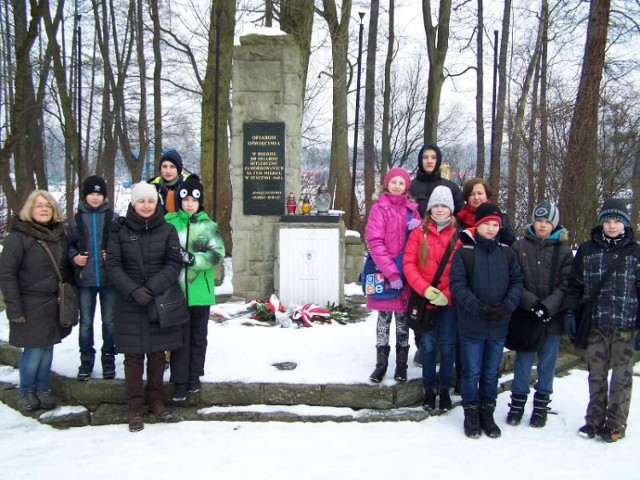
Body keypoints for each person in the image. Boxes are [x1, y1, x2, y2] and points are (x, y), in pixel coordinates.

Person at [106, 182, 184, 432]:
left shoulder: (168, 230)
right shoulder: (119, 232)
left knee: (158, 356)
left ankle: (156, 400)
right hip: (130, 303)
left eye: (150, 201)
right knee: (133, 357)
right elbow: (113, 265)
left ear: (156, 203)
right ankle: (135, 407)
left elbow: (173, 264)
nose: (146, 205)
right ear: (133, 204)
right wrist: (133, 290)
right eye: (141, 201)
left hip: (158, 301)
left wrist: (150, 289)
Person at [564, 198, 640, 443]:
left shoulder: (635, 252)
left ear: (625, 223)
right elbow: (575, 285)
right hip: (596, 323)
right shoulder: (587, 250)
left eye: (617, 220)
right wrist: (569, 313)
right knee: (596, 374)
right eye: (607, 220)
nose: (612, 225)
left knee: (622, 376)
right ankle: (594, 420)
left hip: (625, 324)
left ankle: (615, 423)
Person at [449, 202, 523, 439]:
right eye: (486, 224)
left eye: (495, 224)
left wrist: (506, 306)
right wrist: (477, 308)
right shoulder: (464, 253)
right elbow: (458, 285)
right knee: (471, 372)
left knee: (491, 373)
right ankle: (471, 413)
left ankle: (487, 412)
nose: (491, 229)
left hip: (498, 325)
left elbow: (517, 282)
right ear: (477, 225)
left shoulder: (508, 252)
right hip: (472, 324)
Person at [0, 191, 73, 412]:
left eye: (48, 206)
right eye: (38, 205)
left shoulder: (59, 236)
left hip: (52, 302)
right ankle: (26, 391)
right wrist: (15, 308)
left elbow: (65, 268)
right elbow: (7, 274)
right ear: (29, 209)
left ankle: (42, 389)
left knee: (48, 348)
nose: (43, 209)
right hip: (28, 303)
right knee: (33, 351)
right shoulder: (19, 237)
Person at [507, 201, 573, 428]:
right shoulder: (520, 246)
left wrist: (548, 306)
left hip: (552, 317)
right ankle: (517, 403)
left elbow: (566, 285)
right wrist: (532, 303)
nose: (542, 225)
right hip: (526, 315)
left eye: (547, 221)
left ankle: (541, 404)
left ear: (554, 224)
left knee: (547, 362)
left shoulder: (563, 251)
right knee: (523, 360)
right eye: (539, 220)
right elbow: (514, 279)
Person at [165, 175, 225, 403]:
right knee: (179, 339)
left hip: (200, 293)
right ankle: (179, 382)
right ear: (180, 199)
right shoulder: (170, 223)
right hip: (176, 291)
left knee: (198, 338)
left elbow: (216, 254)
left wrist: (192, 258)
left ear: (200, 201)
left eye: (194, 199)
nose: (190, 203)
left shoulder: (210, 226)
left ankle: (194, 377)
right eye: (185, 198)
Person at [402, 185, 459, 412]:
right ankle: (428, 390)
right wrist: (424, 289)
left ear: (451, 209)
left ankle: (444, 389)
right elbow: (409, 264)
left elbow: (462, 271)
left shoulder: (459, 236)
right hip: (425, 299)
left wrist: (448, 295)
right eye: (436, 205)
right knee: (428, 346)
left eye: (444, 205)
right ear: (430, 208)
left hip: (448, 303)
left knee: (446, 346)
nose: (440, 209)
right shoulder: (419, 234)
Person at [364, 167, 422, 383]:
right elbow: (375, 242)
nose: (397, 186)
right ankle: (381, 364)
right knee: (383, 318)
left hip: (406, 274)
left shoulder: (412, 210)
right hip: (384, 272)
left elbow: (419, 243)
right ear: (386, 184)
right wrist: (391, 272)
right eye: (393, 182)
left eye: (401, 182)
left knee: (403, 320)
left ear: (406, 186)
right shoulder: (379, 208)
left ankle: (401, 365)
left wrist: (419, 226)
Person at [67, 175, 119, 381]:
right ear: (85, 196)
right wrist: (74, 257)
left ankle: (109, 358)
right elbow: (68, 245)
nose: (95, 198)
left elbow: (121, 243)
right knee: (86, 322)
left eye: (99, 194)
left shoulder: (113, 218)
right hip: (85, 279)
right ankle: (86, 359)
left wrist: (112, 253)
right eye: (91, 194)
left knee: (110, 321)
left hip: (109, 279)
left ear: (104, 196)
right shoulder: (77, 219)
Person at [408, 143, 464, 218]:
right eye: (425, 157)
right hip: (416, 229)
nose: (429, 161)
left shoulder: (451, 187)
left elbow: (461, 215)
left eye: (433, 157)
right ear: (420, 160)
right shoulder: (410, 187)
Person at [456, 177, 517, 246]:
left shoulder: (501, 218)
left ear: (486, 195)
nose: (476, 197)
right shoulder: (459, 219)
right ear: (467, 197)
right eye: (472, 194)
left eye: (480, 193)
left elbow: (513, 245)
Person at [148, 148, 186, 213]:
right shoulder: (151, 187)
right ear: (161, 169)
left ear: (178, 170)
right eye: (164, 167)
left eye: (172, 167)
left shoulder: (187, 186)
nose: (168, 171)